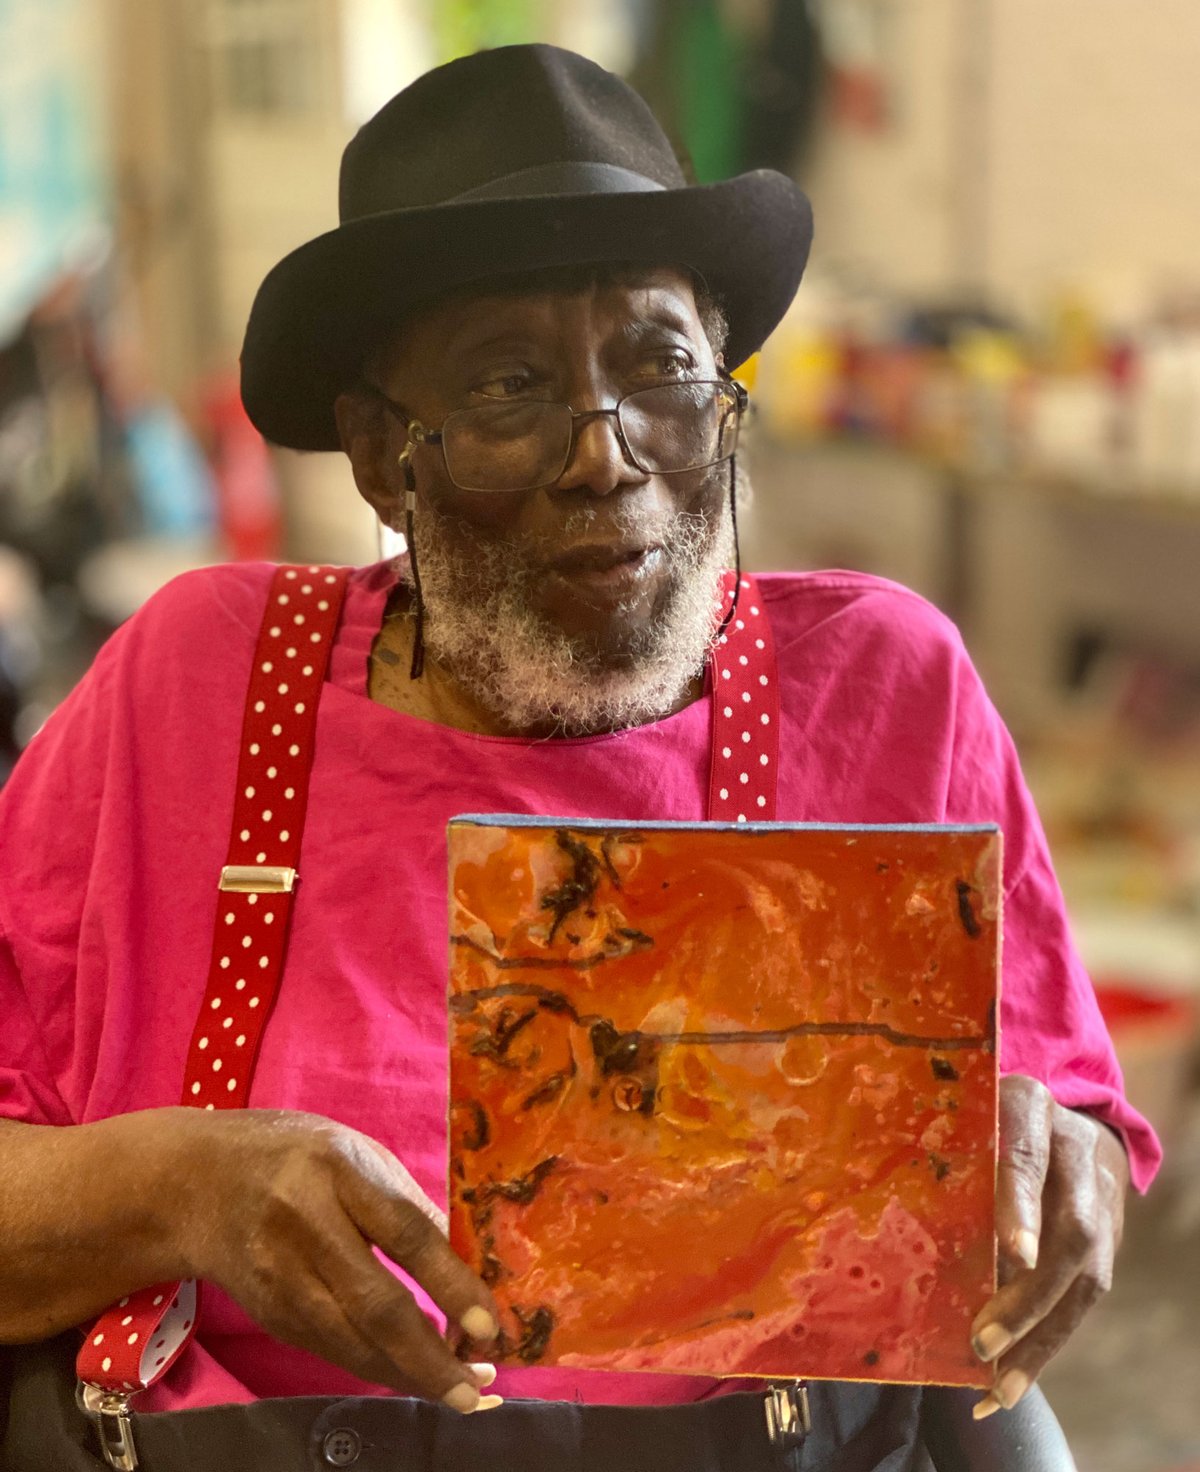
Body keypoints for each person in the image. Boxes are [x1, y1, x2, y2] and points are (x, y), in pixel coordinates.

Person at [0, 42, 1160, 1472]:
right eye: (505, 386)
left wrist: (1053, 1170)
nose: (605, 454)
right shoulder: (198, 681)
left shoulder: (882, 683)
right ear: (378, 456)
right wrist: (174, 1187)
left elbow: (1071, 1131)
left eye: (662, 367)